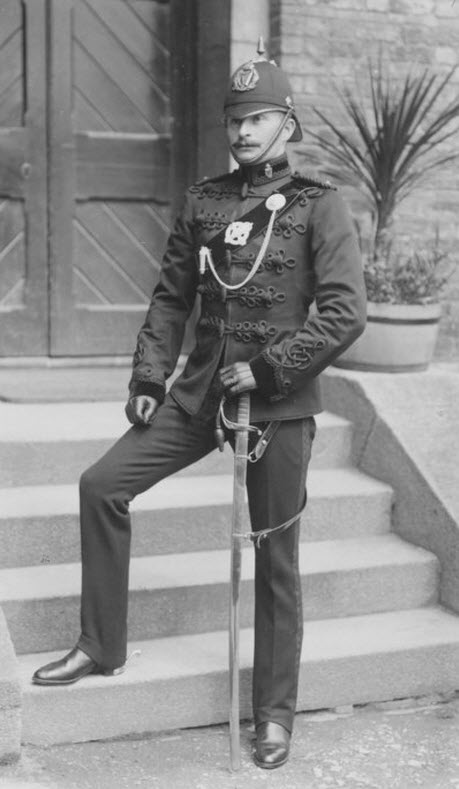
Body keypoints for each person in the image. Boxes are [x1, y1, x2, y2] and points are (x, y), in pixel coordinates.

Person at [33, 46, 366, 769]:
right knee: (102, 484)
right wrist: (150, 376)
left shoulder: (319, 205)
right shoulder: (205, 201)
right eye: (234, 120)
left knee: (275, 556)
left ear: (287, 125)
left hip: (275, 405)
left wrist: (269, 370)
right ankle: (101, 643)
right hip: (199, 394)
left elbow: (345, 313)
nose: (242, 131)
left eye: (258, 119)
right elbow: (171, 297)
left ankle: (273, 713)